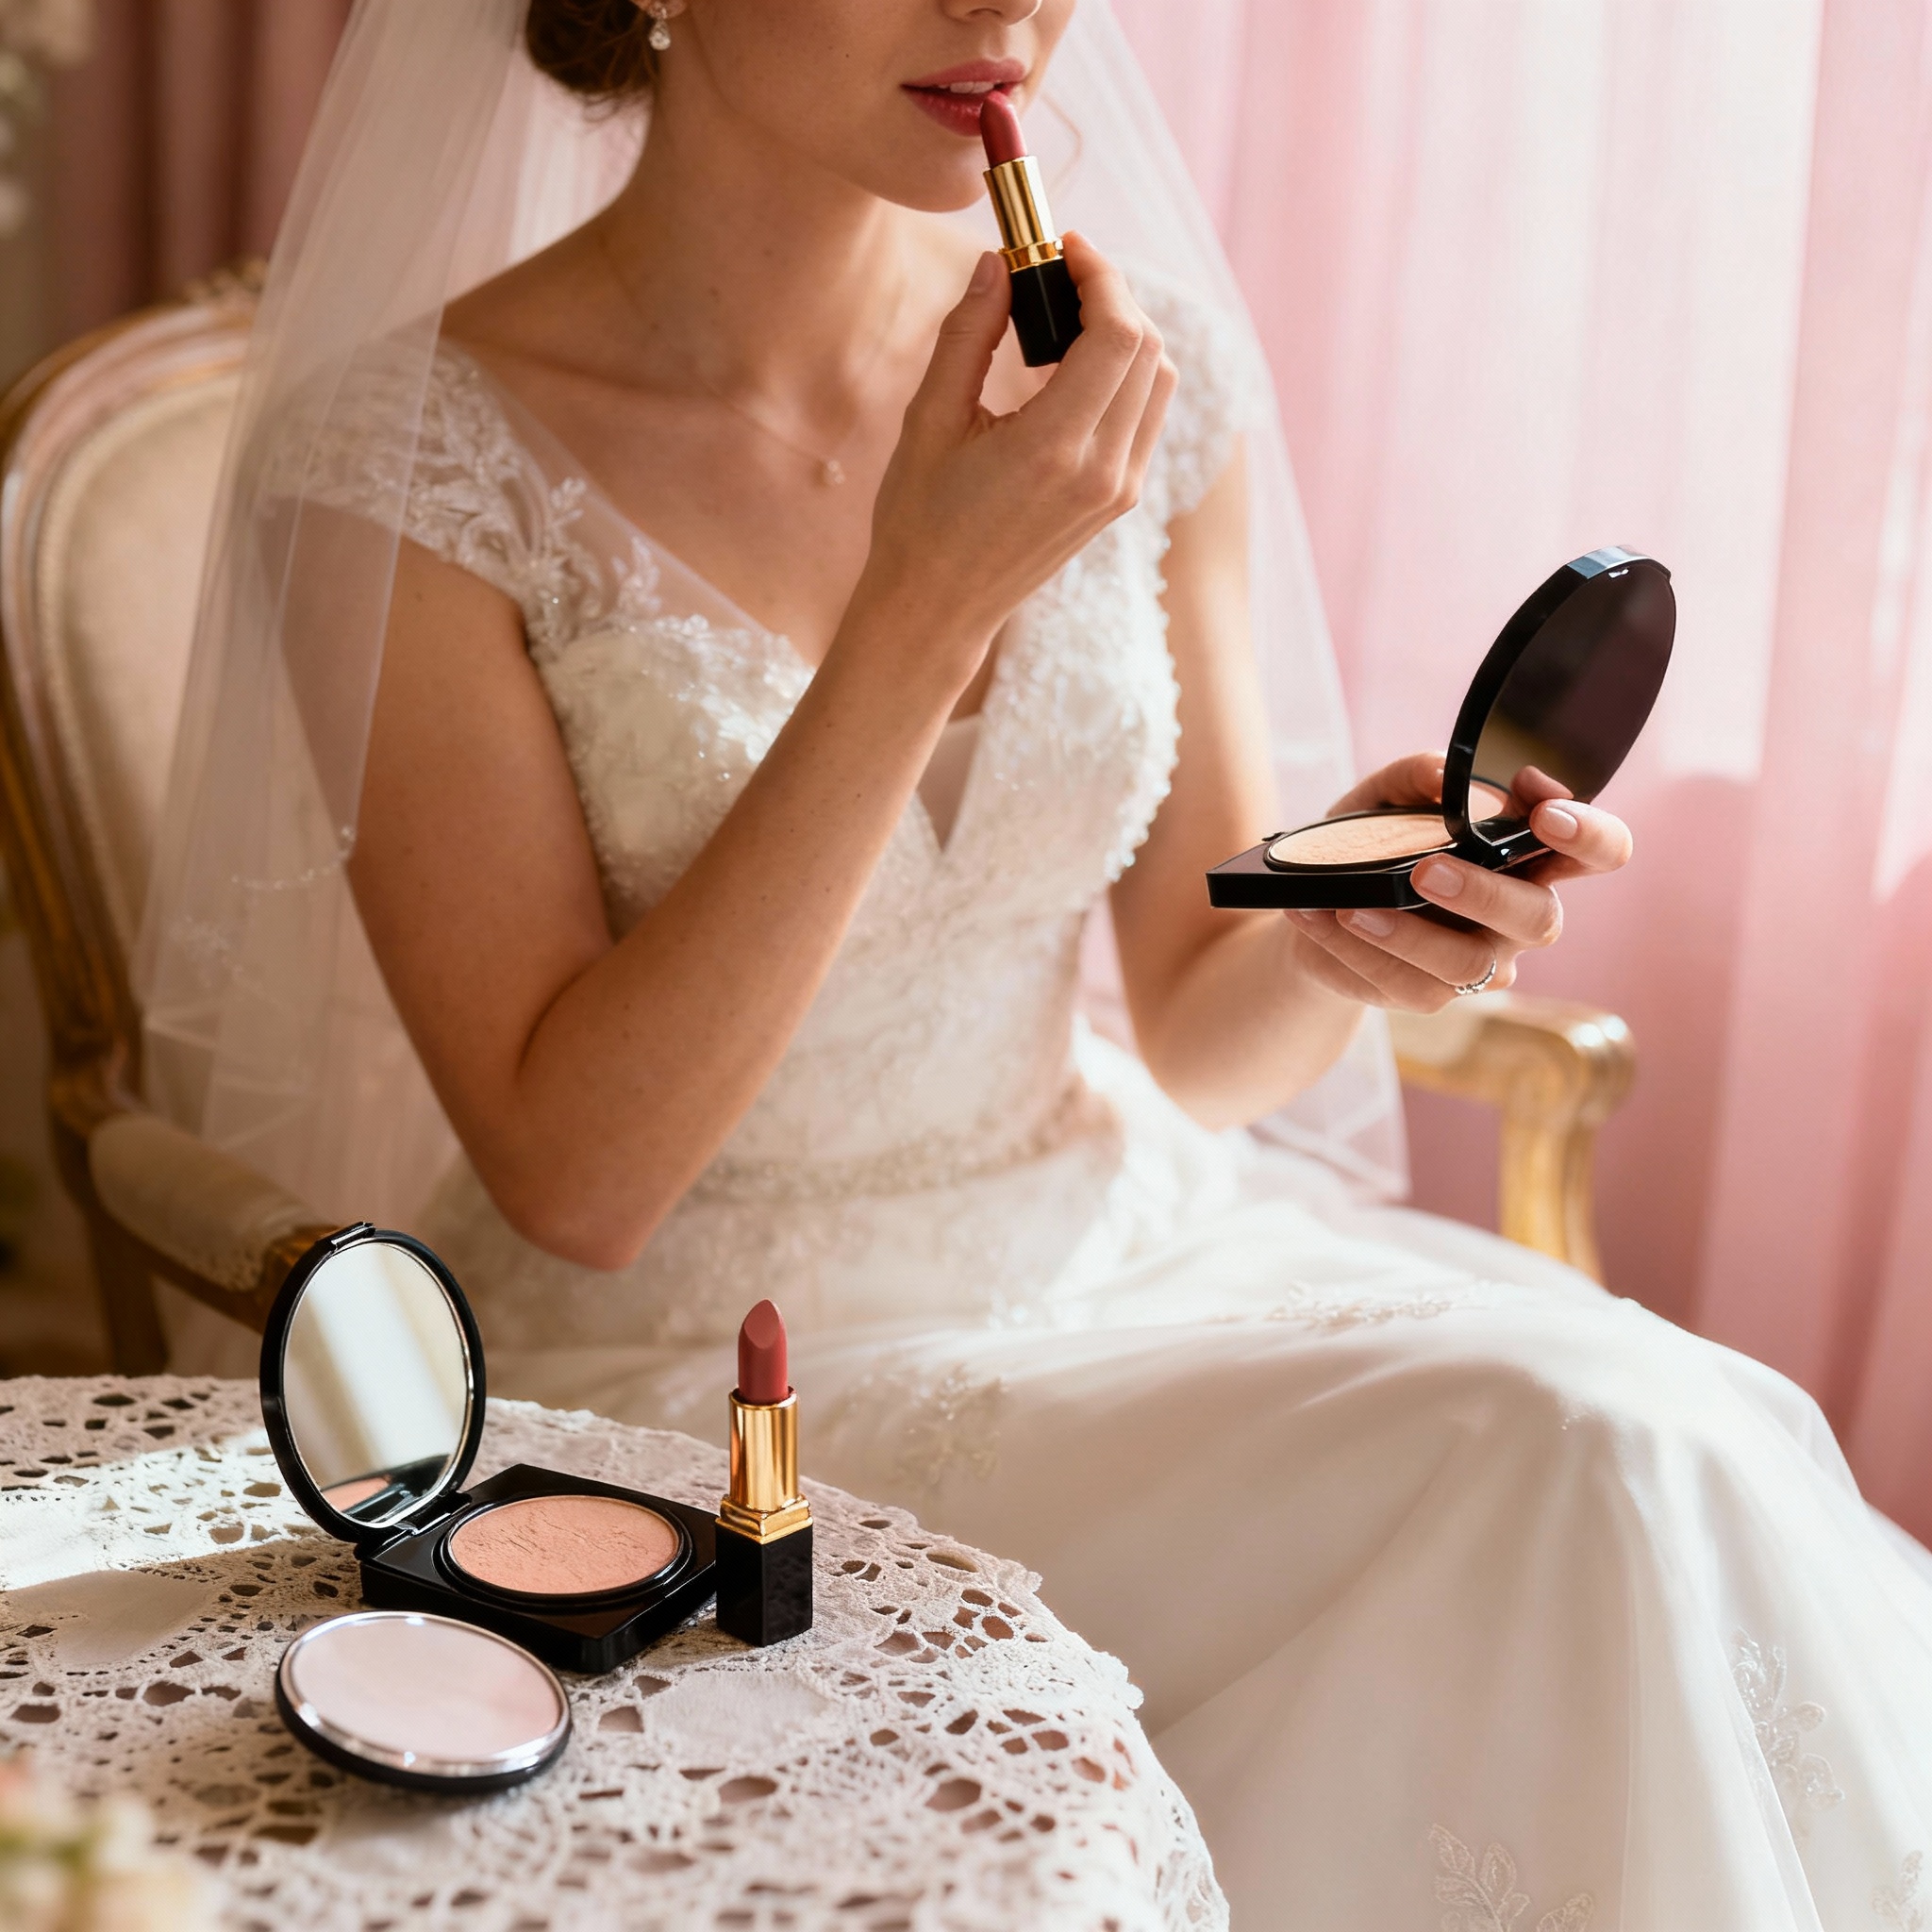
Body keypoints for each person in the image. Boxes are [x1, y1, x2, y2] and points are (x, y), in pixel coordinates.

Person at [139, 0, 1932, 1922]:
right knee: (1567, 1446)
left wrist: (1343, 928)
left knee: (1655, 1439)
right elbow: (580, 1179)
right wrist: (924, 597)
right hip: (720, 1389)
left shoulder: (1126, 374)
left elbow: (1193, 1030)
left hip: (1142, 1256)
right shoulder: (399, 469)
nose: (1002, 10)